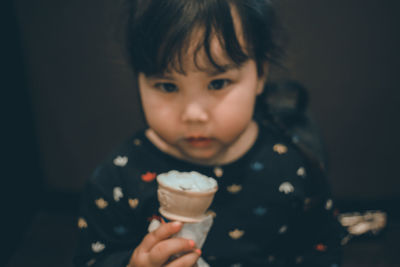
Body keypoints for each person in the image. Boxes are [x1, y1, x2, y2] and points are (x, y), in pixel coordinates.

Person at [74, 0, 348, 266]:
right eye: (167, 86)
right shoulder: (118, 179)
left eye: (218, 83)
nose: (194, 114)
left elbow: (322, 251)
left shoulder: (294, 167)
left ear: (261, 74)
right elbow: (92, 259)